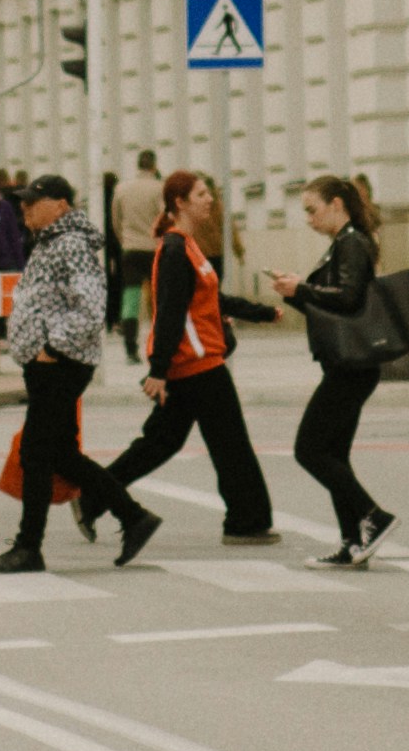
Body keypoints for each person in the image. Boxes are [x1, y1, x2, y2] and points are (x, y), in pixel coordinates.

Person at [0, 173, 154, 574]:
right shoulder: (52, 241)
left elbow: (91, 307)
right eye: (21, 203)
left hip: (61, 363)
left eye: (31, 203)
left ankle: (28, 547)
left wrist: (52, 348)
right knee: (58, 454)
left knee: (35, 453)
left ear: (60, 205)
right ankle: (133, 517)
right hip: (51, 364)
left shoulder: (70, 244)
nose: (23, 210)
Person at [102, 169, 279, 540]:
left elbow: (211, 299)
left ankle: (93, 494)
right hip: (197, 363)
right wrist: (158, 369)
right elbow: (169, 311)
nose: (210, 200)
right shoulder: (173, 249)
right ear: (179, 203)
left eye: (208, 193)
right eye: (201, 194)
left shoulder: (188, 245)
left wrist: (261, 312)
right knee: (231, 443)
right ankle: (247, 522)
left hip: (194, 361)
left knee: (161, 442)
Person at [267, 174, 398, 566]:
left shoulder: (353, 242)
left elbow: (348, 299)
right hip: (347, 364)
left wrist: (301, 290)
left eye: (313, 209)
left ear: (337, 204)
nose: (308, 218)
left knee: (308, 449)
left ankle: (373, 516)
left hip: (351, 367)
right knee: (334, 453)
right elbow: (331, 305)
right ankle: (353, 541)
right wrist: (294, 294)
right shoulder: (343, 243)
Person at [111, 151, 166, 362]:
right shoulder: (159, 189)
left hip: (131, 249)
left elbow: (116, 220)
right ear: (154, 165)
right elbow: (164, 218)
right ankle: (158, 345)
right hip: (154, 250)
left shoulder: (122, 189)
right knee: (157, 300)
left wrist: (124, 239)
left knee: (130, 300)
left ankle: (130, 349)